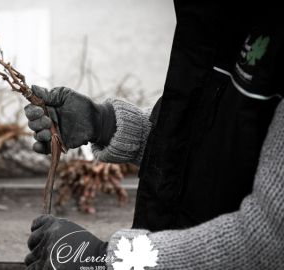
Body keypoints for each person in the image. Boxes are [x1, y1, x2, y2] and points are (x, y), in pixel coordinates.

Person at [23, 1, 284, 269]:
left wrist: (107, 259)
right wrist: (103, 123)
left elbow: (270, 242)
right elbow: (215, 147)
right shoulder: (216, 18)